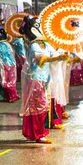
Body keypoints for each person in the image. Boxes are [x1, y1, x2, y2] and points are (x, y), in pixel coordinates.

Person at [19, 16, 68, 144]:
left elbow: (54, 55)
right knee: (38, 107)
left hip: (44, 79)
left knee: (41, 106)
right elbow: (42, 59)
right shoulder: (34, 45)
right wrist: (57, 58)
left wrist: (63, 55)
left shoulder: (45, 44)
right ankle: (39, 134)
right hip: (35, 80)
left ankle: (36, 133)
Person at [0, 25, 19, 102]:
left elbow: (0, 52)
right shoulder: (6, 44)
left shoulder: (1, 45)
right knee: (6, 80)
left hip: (6, 65)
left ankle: (12, 96)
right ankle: (7, 96)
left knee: (6, 81)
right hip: (9, 64)